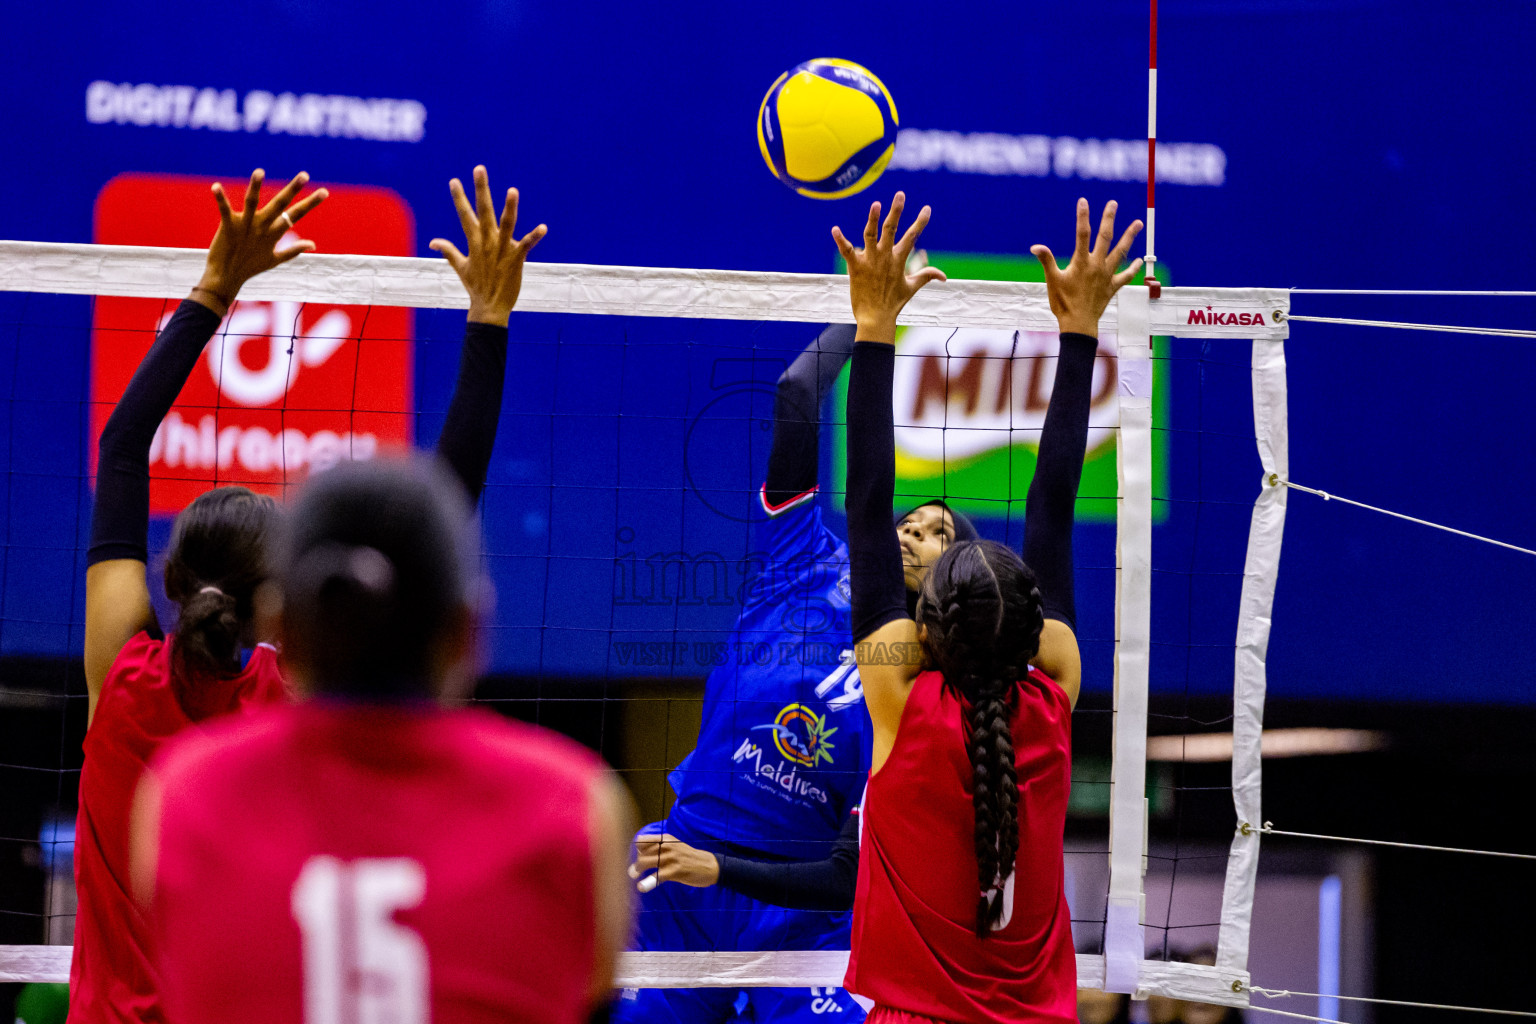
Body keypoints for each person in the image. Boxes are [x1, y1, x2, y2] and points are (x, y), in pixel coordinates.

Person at [130, 167, 636, 1024]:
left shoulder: (183, 800)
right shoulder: (570, 804)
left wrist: (216, 285)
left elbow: (118, 453)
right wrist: (488, 319)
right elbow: (584, 990)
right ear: (468, 633)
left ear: (283, 625)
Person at [837, 192, 1143, 1024]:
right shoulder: (1050, 697)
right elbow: (1051, 504)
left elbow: (868, 505)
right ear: (1033, 632)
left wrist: (873, 324)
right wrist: (1079, 332)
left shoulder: (902, 697)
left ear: (927, 627)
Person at [616, 321, 875, 1024]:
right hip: (681, 870)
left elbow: (855, 876)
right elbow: (796, 391)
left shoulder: (923, 680)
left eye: (941, 533)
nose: (919, 531)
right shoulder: (807, 559)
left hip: (798, 908)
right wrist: (865, 318)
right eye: (913, 522)